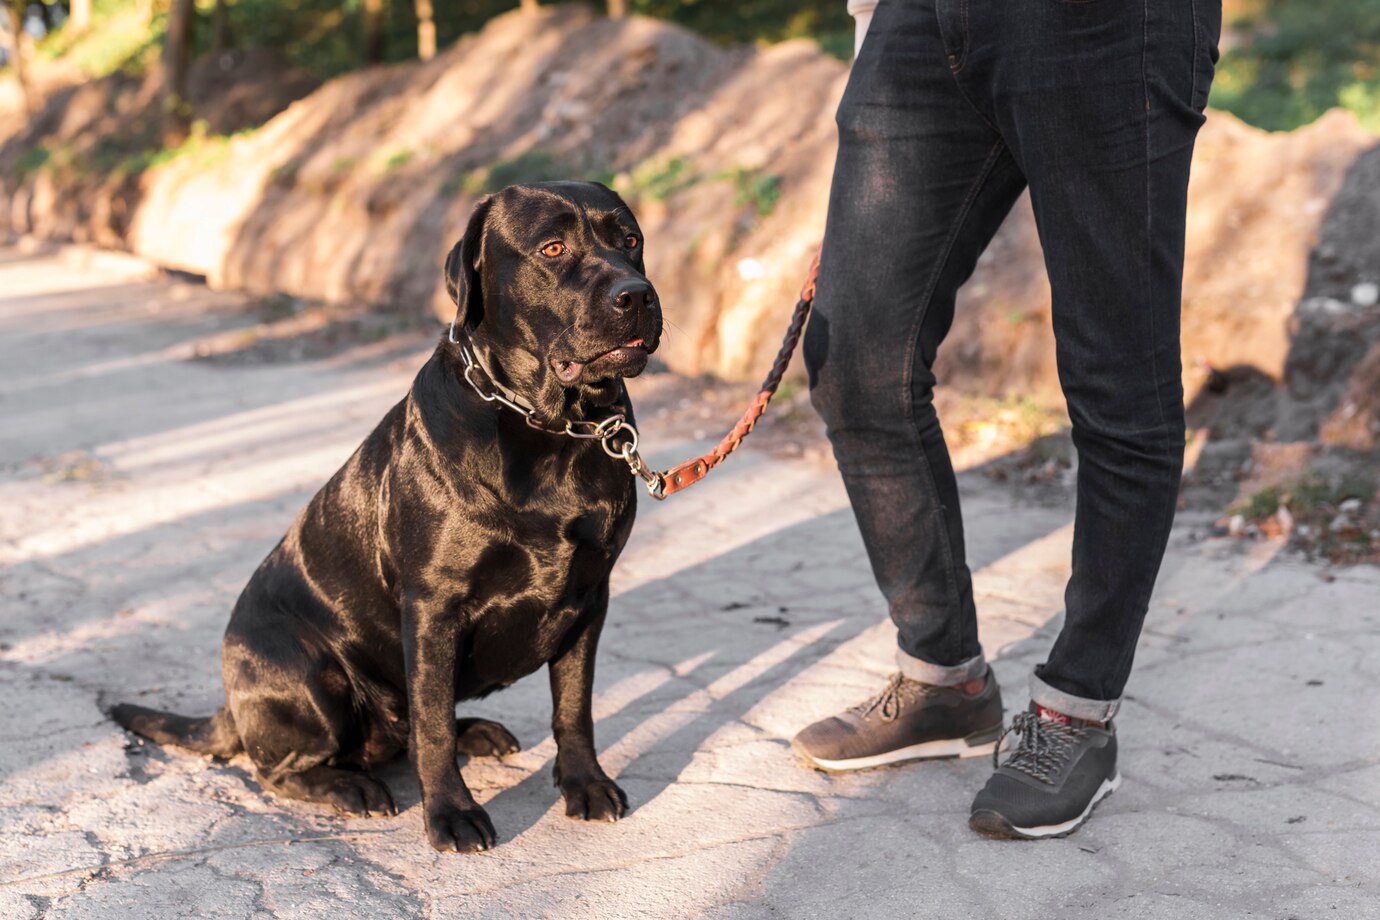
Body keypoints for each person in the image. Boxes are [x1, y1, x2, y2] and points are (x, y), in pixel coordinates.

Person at [792, 0, 1221, 839]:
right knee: (856, 358)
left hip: (1105, 25)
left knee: (1114, 377)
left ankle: (1076, 713)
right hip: (918, 19)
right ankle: (943, 680)